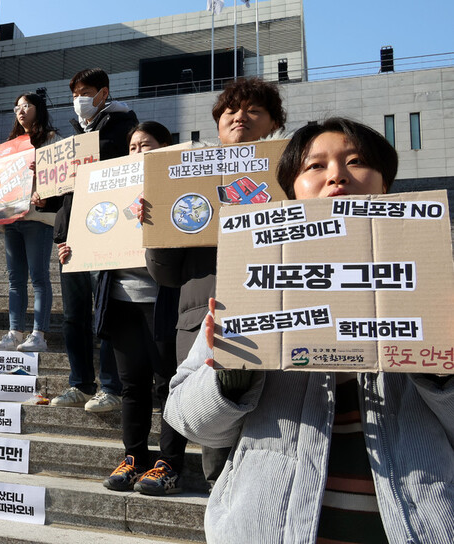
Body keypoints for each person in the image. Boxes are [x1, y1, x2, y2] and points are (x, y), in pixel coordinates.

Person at [164, 117, 454, 543]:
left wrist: (439, 371)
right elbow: (190, 422)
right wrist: (231, 376)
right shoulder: (248, 286)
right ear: (291, 191)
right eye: (314, 167)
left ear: (385, 185)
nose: (336, 174)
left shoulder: (437, 287)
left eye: (356, 161)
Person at [145, 77, 285, 487]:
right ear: (218, 126)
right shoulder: (186, 186)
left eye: (254, 110)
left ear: (275, 125)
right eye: (230, 111)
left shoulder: (298, 178)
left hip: (277, 318)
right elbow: (166, 274)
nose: (240, 116)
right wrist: (155, 228)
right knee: (218, 464)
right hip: (202, 329)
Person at [66, 121, 188, 495]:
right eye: (133, 147)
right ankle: (133, 458)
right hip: (120, 301)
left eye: (147, 145)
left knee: (169, 384)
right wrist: (74, 250)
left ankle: (169, 464)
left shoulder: (177, 189)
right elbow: (93, 232)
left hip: (163, 302)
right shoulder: (113, 186)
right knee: (132, 385)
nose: (138, 152)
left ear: (166, 147)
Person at [49, 68, 138, 412]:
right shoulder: (73, 137)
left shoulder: (123, 125)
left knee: (104, 313)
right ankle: (80, 383)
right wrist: (47, 198)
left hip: (106, 231)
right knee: (74, 316)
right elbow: (65, 195)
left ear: (104, 92)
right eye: (74, 95)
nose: (78, 101)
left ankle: (111, 387)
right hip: (70, 237)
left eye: (84, 92)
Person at [0, 92, 60, 353]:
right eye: (16, 107)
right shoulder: (9, 145)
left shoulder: (51, 139)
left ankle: (39, 334)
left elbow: (62, 177)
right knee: (15, 280)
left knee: (39, 277)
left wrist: (45, 190)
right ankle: (15, 333)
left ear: (38, 109)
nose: (21, 110)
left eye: (26, 106)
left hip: (36, 217)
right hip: (11, 217)